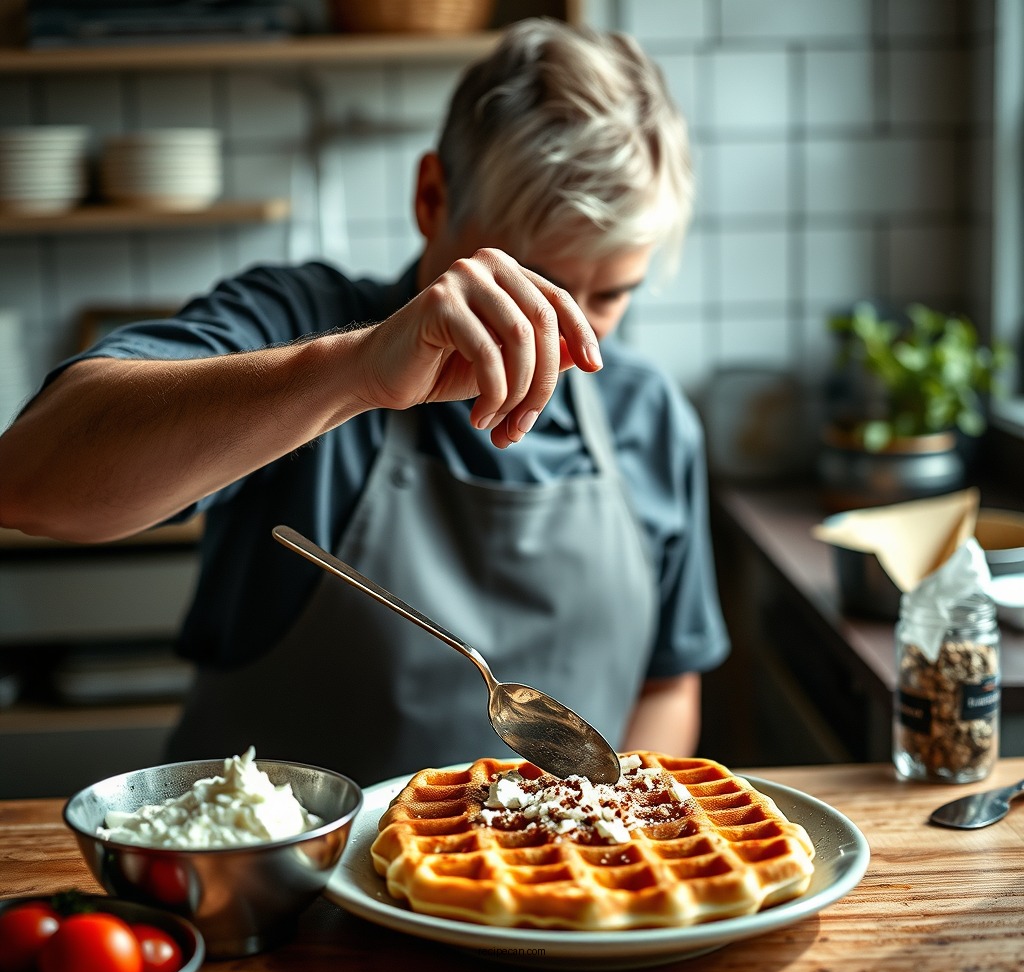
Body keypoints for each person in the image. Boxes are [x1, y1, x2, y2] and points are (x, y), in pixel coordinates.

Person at [0, 18, 729, 785]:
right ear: (431, 196)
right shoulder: (290, 324)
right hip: (274, 891)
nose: (565, 326)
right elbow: (28, 482)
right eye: (534, 281)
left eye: (611, 293)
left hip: (551, 899)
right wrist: (352, 371)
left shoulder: (649, 416)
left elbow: (667, 685)